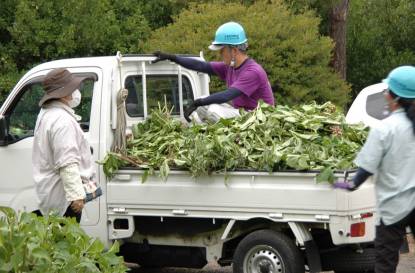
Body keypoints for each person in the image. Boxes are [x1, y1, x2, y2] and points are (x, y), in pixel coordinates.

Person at [334, 66, 415, 273]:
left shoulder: (384, 128)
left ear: (394, 97)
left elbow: (366, 168)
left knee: (385, 263)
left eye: (388, 90)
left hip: (392, 209)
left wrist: (348, 184)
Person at [153, 21, 274, 122]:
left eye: (222, 50)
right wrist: (172, 58)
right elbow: (201, 66)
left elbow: (227, 95)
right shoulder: (230, 67)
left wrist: (197, 102)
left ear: (234, 50)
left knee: (212, 111)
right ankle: (202, 138)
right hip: (243, 114)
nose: (220, 54)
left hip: (259, 119)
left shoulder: (253, 72)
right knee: (202, 106)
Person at [32, 68, 97, 223]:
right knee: (64, 243)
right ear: (65, 93)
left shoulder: (47, 114)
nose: (76, 92)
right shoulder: (62, 121)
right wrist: (76, 196)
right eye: (73, 89)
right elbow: (67, 162)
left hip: (51, 194)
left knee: (53, 241)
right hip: (64, 200)